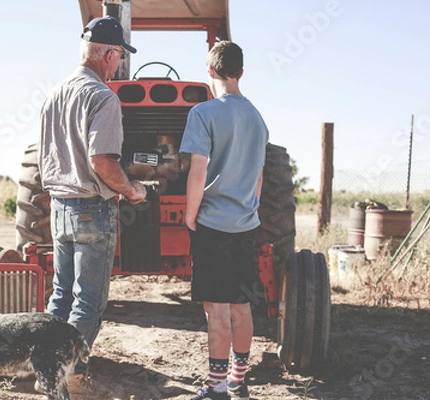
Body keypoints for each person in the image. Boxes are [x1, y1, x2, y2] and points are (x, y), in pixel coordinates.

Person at [38, 15, 147, 396]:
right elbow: (103, 161)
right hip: (92, 208)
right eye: (119, 56)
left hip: (59, 206)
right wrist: (132, 189)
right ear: (109, 54)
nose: (119, 64)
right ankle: (71, 375)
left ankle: (45, 369)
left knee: (61, 294)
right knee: (89, 299)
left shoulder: (54, 94)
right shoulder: (102, 96)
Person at [179, 41, 269, 400]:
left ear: (211, 72)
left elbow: (198, 172)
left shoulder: (203, 113)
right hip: (246, 224)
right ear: (241, 73)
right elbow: (259, 177)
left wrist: (189, 215)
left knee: (215, 310)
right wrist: (249, 210)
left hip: (213, 226)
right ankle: (238, 380)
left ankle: (216, 389)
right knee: (240, 305)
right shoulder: (258, 118)